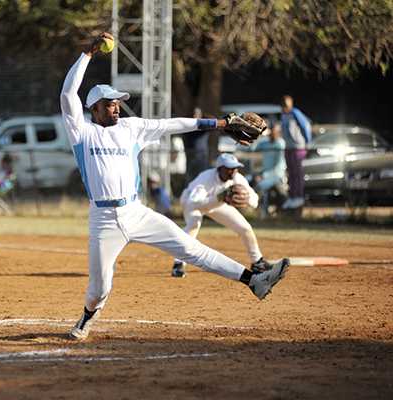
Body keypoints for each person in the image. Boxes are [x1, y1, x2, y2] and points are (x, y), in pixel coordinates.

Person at [60, 32, 290, 341]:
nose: (116, 107)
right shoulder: (81, 133)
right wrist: (87, 54)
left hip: (135, 211)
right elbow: (67, 95)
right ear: (94, 109)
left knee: (191, 248)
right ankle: (86, 319)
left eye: (117, 103)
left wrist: (221, 124)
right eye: (110, 104)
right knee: (99, 289)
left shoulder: (131, 129)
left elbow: (174, 124)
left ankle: (254, 281)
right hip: (103, 221)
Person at [171, 153, 271, 278]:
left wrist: (248, 200)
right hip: (192, 204)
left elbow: (254, 199)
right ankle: (178, 264)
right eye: (229, 168)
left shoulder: (237, 178)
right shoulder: (206, 178)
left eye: (235, 168)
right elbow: (194, 202)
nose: (232, 171)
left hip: (217, 204)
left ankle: (257, 262)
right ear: (219, 169)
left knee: (245, 228)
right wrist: (220, 197)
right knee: (193, 226)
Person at [280, 95, 312, 209]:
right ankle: (292, 197)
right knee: (291, 174)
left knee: (298, 173)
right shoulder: (283, 115)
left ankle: (299, 197)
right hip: (288, 148)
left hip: (298, 147)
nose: (285, 107)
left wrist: (308, 142)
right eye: (283, 105)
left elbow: (306, 126)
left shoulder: (295, 113)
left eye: (287, 105)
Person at [252, 124, 287, 218]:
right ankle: (259, 212)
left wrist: (264, 176)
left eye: (275, 132)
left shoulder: (280, 143)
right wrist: (259, 135)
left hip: (278, 175)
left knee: (262, 185)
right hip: (265, 175)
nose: (272, 134)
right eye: (271, 131)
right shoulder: (265, 143)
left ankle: (267, 212)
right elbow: (252, 148)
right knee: (252, 181)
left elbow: (278, 168)